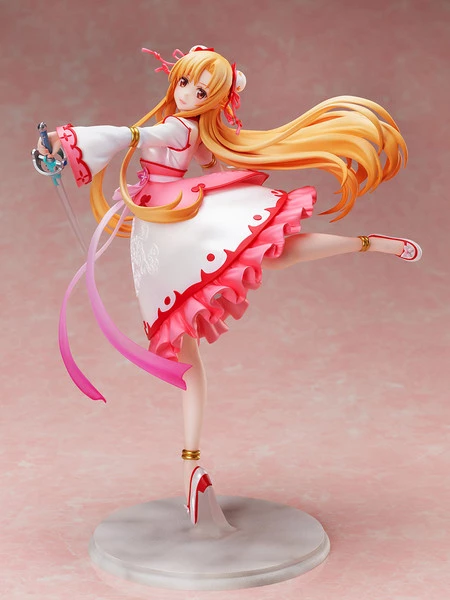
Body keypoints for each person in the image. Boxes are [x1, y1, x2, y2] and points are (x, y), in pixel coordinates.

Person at [38, 45, 421, 530]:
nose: (187, 95)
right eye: (185, 83)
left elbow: (129, 135)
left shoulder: (176, 127)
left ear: (214, 99)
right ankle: (192, 466)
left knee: (265, 263)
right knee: (190, 345)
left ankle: (367, 244)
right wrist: (61, 151)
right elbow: (197, 157)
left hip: (179, 227)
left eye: (201, 92)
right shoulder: (187, 128)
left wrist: (66, 140)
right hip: (164, 230)